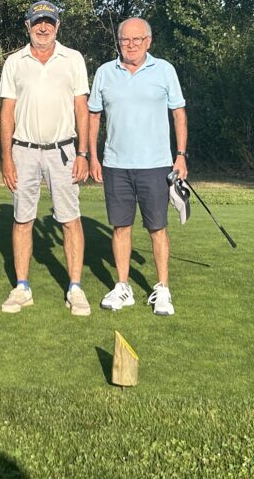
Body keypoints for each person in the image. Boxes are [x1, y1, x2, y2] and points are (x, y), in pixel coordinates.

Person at [87, 17, 188, 316]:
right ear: (118, 42)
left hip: (155, 165)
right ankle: (122, 287)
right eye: (125, 40)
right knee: (121, 227)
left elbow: (179, 113)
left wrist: (181, 155)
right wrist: (92, 156)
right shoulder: (105, 72)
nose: (130, 45)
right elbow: (94, 116)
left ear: (148, 41)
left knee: (157, 228)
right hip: (116, 164)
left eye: (137, 40)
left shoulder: (165, 70)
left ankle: (163, 289)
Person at [0, 0, 92, 316]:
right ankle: (22, 287)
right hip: (23, 151)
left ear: (57, 26)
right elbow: (7, 112)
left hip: (63, 151)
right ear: (28, 25)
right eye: (38, 22)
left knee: (70, 218)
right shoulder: (14, 62)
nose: (43, 28)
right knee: (22, 218)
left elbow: (82, 108)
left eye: (48, 22)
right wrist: (6, 158)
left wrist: (83, 153)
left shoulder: (73, 59)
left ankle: (75, 288)